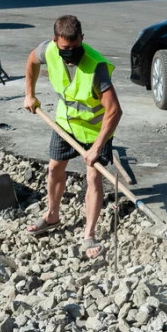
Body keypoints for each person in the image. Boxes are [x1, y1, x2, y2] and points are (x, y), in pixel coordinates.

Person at [23, 15, 123, 260]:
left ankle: (89, 234)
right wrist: (29, 94)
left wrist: (96, 148)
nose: (72, 52)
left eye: (77, 46)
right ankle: (52, 215)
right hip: (65, 123)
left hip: (95, 130)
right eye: (66, 48)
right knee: (54, 168)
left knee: (93, 176)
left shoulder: (95, 66)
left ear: (82, 39)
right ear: (55, 41)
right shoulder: (47, 50)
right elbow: (31, 60)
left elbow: (114, 111)